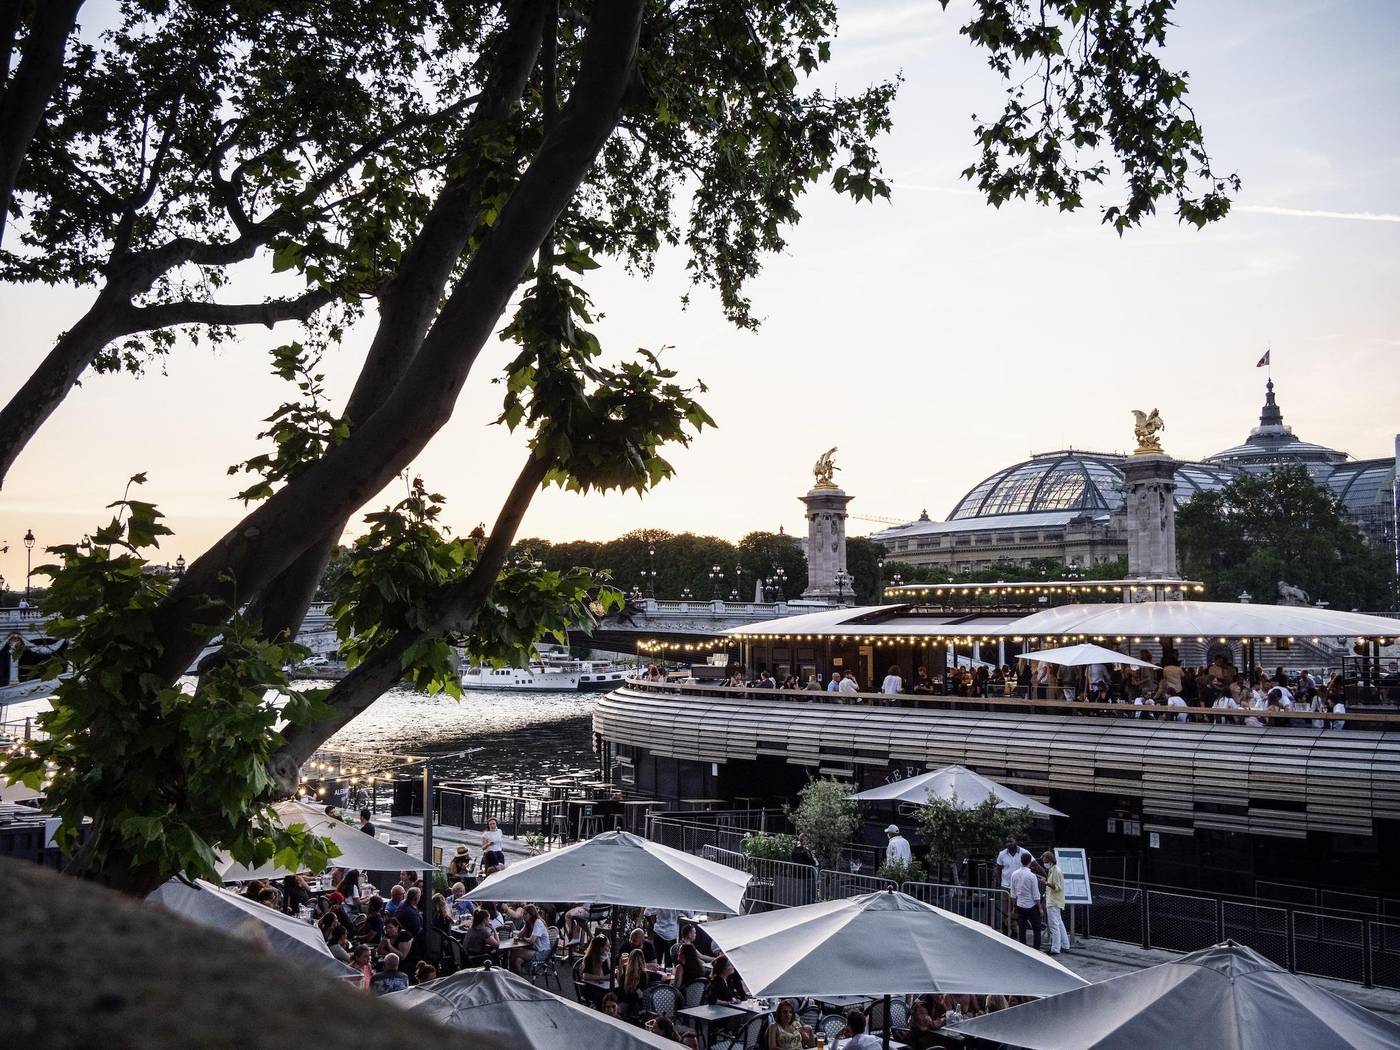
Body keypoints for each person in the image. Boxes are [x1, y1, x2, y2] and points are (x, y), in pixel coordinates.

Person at [995, 835, 1039, 933]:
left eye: (1011, 842)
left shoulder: (1024, 852)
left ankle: (1006, 923)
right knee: (1007, 910)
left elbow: (1036, 864)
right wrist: (999, 883)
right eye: (1007, 842)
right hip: (1005, 886)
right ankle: (1013, 930)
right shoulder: (1002, 854)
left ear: (1016, 842)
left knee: (1017, 910)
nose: (1008, 844)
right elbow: (998, 869)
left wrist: (1046, 876)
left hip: (1019, 887)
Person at [1009, 853, 1043, 950]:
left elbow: (1013, 892)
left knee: (1022, 928)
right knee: (1036, 928)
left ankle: (1023, 948)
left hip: (1020, 905)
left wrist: (1014, 906)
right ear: (1030, 862)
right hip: (1031, 905)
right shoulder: (1032, 876)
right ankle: (1036, 949)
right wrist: (1040, 908)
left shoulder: (1014, 874)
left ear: (1021, 861)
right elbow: (1036, 894)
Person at [1041, 850, 1070, 954]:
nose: (1044, 863)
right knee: (1059, 924)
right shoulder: (1054, 870)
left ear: (1049, 860)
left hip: (1053, 901)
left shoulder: (1055, 871)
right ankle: (1065, 945)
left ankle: (1055, 948)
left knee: (1054, 925)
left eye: (1044, 860)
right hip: (1055, 901)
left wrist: (1046, 883)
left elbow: (1057, 887)